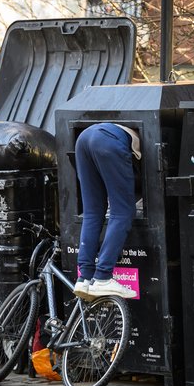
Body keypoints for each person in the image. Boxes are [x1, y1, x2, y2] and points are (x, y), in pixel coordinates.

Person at [73, 123, 140, 300]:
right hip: (110, 139)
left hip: (83, 138)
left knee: (92, 212)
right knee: (123, 212)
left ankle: (84, 277)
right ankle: (103, 277)